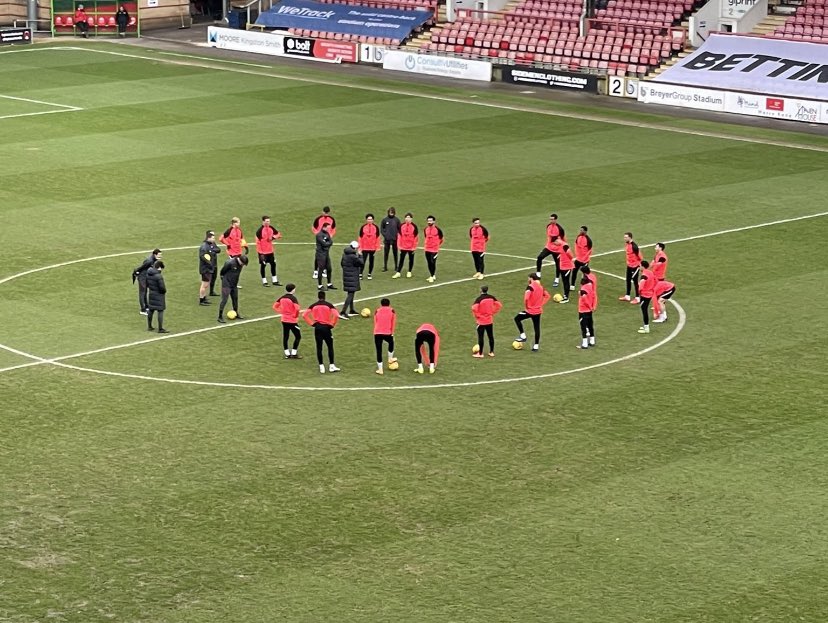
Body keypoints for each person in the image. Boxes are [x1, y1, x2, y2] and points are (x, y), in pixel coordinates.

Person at [303, 291, 340, 373]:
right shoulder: (329, 305)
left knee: (319, 347)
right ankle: (331, 366)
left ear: (318, 297)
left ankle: (321, 367)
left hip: (317, 328)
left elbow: (304, 315)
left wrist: (312, 323)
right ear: (324, 296)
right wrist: (332, 324)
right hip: (326, 328)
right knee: (330, 347)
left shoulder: (313, 305)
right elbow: (336, 315)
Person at [514, 272, 551, 352]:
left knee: (517, 319)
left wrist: (527, 306)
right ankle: (536, 346)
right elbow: (547, 296)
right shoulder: (541, 287)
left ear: (531, 278)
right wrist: (541, 304)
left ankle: (523, 336)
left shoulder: (530, 287)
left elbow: (526, 298)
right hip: (538, 311)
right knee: (536, 328)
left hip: (530, 311)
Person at [472, 285, 502, 358]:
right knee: (490, 336)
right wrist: (493, 312)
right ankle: (491, 352)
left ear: (481, 290)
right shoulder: (491, 297)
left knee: (481, 337)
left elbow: (474, 308)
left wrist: (478, 315)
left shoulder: (479, 299)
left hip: (481, 321)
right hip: (489, 320)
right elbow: (499, 305)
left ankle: (480, 353)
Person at [535, 213, 566, 285]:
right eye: (550, 219)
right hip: (548, 247)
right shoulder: (548, 226)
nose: (551, 221)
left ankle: (557, 279)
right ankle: (538, 273)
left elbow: (563, 239)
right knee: (539, 257)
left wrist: (564, 248)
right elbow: (549, 237)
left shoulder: (560, 229)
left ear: (555, 220)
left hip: (557, 249)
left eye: (552, 219)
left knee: (558, 264)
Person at [273, 283, 302, 359]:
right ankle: (294, 353)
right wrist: (295, 315)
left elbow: (275, 306)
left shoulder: (282, 297)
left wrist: (282, 312)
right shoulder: (293, 298)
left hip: (284, 320)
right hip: (292, 321)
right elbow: (297, 308)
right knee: (298, 336)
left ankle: (287, 353)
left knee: (286, 336)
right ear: (293, 290)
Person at [217, 254, 248, 323]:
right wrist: (224, 280)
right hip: (226, 284)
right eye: (243, 264)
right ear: (240, 260)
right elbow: (222, 271)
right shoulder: (230, 263)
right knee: (224, 300)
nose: (243, 265)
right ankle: (220, 316)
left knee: (235, 299)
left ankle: (236, 313)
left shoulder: (240, 264)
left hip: (234, 284)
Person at [132, 248, 161, 315]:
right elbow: (141, 267)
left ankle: (146, 306)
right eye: (159, 255)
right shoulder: (149, 261)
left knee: (145, 292)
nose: (160, 256)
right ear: (155, 255)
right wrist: (136, 272)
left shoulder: (154, 260)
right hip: (142, 277)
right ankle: (142, 310)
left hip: (146, 277)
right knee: (142, 293)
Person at [255, 215, 282, 287]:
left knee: (273, 264)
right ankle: (264, 281)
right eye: (267, 221)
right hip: (263, 252)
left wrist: (273, 237)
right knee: (263, 265)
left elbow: (279, 234)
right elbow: (257, 243)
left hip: (270, 251)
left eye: (269, 221)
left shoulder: (271, 228)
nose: (268, 223)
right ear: (263, 221)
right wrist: (261, 254)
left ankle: (275, 280)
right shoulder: (259, 231)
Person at [339, 241, 364, 319]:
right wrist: (360, 255)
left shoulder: (345, 254)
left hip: (347, 275)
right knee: (351, 294)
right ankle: (343, 312)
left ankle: (351, 310)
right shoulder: (353, 256)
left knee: (350, 293)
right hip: (352, 276)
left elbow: (342, 264)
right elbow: (361, 263)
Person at [373, 298, 397, 375]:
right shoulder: (392, 311)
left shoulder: (377, 311)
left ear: (381, 304)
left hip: (377, 333)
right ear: (389, 304)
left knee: (378, 351)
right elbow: (393, 322)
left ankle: (380, 370)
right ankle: (390, 358)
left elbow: (375, 322)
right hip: (387, 332)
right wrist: (392, 332)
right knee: (391, 343)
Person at [311, 206, 336, 279]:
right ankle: (316, 271)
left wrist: (331, 235)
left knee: (326, 254)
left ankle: (324, 270)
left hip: (327, 239)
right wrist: (318, 234)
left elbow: (334, 228)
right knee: (317, 255)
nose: (325, 214)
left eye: (327, 213)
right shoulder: (318, 219)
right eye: (324, 212)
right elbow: (313, 228)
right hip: (319, 239)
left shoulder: (331, 219)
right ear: (322, 212)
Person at [393, 212, 418, 279]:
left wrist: (414, 247)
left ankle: (409, 271)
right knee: (401, 259)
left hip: (411, 247)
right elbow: (399, 236)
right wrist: (399, 245)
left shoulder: (414, 227)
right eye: (406, 217)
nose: (407, 219)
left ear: (411, 219)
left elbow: (416, 238)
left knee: (411, 259)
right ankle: (398, 272)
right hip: (403, 246)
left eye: (409, 217)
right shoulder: (401, 226)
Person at [145, 261, 169, 334]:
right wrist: (164, 291)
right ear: (159, 267)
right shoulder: (158, 276)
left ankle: (149, 326)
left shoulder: (148, 274)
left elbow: (147, 284)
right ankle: (160, 328)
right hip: (159, 295)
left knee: (151, 310)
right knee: (160, 311)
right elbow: (162, 288)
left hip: (151, 294)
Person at [619, 231, 642, 304]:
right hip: (629, 266)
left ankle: (638, 298)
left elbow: (640, 257)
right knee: (628, 280)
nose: (624, 238)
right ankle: (627, 296)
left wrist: (639, 265)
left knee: (635, 281)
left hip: (635, 266)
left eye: (626, 237)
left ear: (630, 237)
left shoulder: (634, 246)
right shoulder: (627, 244)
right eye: (624, 237)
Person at [198, 231, 219, 306]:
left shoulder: (209, 245)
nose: (214, 239)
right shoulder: (204, 247)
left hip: (208, 268)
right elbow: (202, 256)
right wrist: (209, 263)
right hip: (205, 269)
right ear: (208, 238)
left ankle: (204, 298)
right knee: (204, 285)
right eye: (213, 238)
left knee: (206, 285)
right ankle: (201, 300)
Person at [357, 214, 381, 280]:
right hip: (364, 248)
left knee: (371, 261)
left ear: (373, 220)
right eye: (368, 219)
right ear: (366, 220)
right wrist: (360, 248)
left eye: (371, 219)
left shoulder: (376, 227)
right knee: (363, 261)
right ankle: (360, 273)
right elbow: (360, 238)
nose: (369, 220)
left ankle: (369, 274)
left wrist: (377, 247)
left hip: (372, 248)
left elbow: (377, 238)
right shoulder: (363, 227)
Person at [637, 260, 657, 334]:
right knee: (645, 309)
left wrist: (639, 291)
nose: (639, 267)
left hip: (645, 295)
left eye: (640, 266)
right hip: (650, 293)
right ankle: (645, 326)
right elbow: (655, 281)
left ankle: (646, 328)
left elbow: (641, 286)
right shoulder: (650, 272)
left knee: (644, 310)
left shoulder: (644, 276)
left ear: (643, 266)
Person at [314, 223, 336, 291]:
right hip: (320, 254)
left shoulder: (327, 233)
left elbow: (331, 242)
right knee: (321, 269)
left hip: (326, 254)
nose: (328, 229)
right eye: (328, 228)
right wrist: (328, 243)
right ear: (324, 227)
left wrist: (328, 243)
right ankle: (320, 285)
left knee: (329, 269)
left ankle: (329, 284)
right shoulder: (319, 235)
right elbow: (324, 244)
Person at [577, 276, 597, 349]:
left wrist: (589, 306)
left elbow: (585, 299)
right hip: (589, 311)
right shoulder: (591, 287)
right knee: (590, 326)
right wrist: (593, 306)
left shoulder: (583, 289)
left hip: (583, 311)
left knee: (583, 327)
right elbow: (594, 296)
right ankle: (592, 341)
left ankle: (584, 344)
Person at [651, 242, 669, 320]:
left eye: (656, 247)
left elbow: (658, 264)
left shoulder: (663, 257)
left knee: (659, 293)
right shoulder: (657, 255)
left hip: (660, 277)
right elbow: (653, 262)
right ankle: (657, 306)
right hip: (655, 276)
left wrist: (653, 265)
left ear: (660, 248)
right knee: (655, 292)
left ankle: (661, 310)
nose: (655, 248)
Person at [423, 215, 444, 283]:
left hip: (434, 249)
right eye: (428, 221)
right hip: (427, 249)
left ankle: (432, 276)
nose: (429, 222)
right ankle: (432, 275)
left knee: (432, 262)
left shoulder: (438, 229)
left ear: (434, 221)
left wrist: (436, 245)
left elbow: (441, 238)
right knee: (429, 262)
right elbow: (426, 237)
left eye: (431, 221)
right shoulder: (425, 229)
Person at [380, 207, 401, 272]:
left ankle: (396, 266)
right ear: (388, 212)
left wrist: (397, 236)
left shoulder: (397, 220)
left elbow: (399, 229)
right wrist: (385, 235)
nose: (391, 213)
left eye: (392, 212)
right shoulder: (385, 220)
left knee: (395, 253)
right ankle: (385, 267)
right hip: (387, 240)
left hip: (395, 239)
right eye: (390, 212)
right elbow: (382, 229)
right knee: (386, 253)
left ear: (394, 213)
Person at [556, 237, 575, 303]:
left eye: (555, 242)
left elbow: (569, 253)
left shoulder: (564, 245)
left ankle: (566, 297)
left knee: (566, 282)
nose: (555, 244)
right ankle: (565, 295)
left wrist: (571, 259)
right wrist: (560, 255)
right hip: (562, 266)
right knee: (564, 282)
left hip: (567, 267)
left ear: (557, 240)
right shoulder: (561, 246)